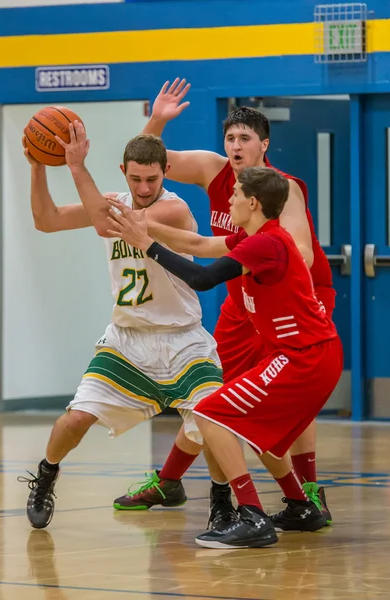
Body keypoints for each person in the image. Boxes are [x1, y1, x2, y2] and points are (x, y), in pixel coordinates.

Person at [114, 79, 335, 528]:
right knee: (215, 399)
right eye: (230, 138)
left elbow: (301, 257)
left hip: (290, 301)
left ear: (263, 146)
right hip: (243, 301)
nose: (235, 146)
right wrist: (157, 119)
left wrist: (250, 258)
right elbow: (148, 163)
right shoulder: (216, 175)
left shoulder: (279, 192)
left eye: (244, 139)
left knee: (276, 401)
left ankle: (304, 488)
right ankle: (180, 483)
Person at [18, 123, 224, 529]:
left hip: (182, 339)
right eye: (136, 179)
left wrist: (76, 168)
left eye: (152, 178)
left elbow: (103, 222)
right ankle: (46, 473)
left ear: (166, 171)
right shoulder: (113, 201)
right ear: (123, 172)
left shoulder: (174, 209)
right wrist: (39, 166)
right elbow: (46, 219)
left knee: (210, 422)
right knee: (76, 419)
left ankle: (222, 501)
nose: (144, 186)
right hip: (127, 339)